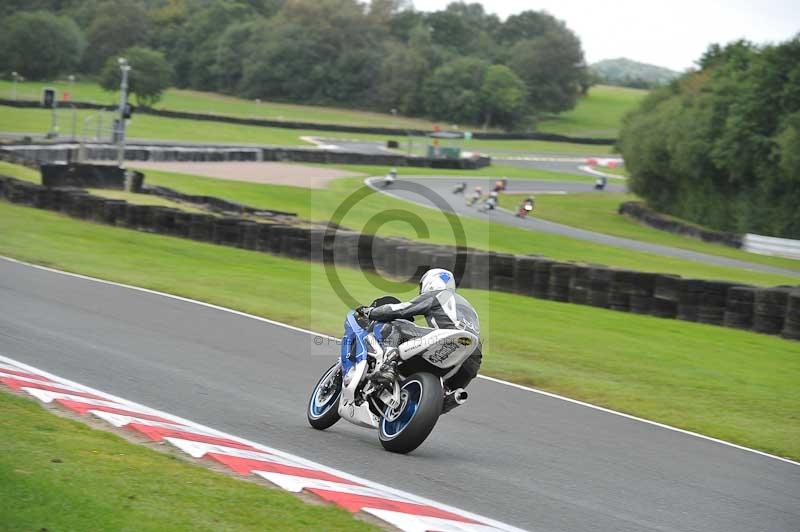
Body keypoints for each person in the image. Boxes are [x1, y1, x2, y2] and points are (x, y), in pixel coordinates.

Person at [356, 268, 482, 413]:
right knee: (441, 398)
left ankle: (388, 367)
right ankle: (445, 397)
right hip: (471, 358)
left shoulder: (439, 294)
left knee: (396, 324)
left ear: (431, 282)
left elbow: (401, 309)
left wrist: (370, 312)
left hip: (449, 339)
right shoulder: (470, 308)